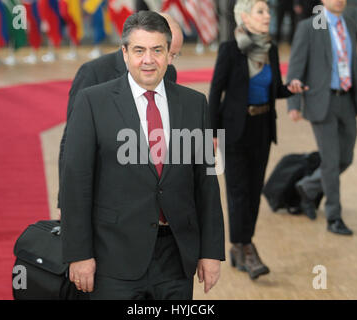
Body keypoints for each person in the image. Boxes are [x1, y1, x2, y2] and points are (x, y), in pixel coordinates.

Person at [61, 11, 225, 300]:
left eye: (157, 50)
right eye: (139, 50)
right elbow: (77, 181)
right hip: (114, 259)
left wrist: (211, 252)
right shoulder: (93, 102)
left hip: (176, 259)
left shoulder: (195, 104)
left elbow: (207, 184)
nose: (148, 59)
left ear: (168, 53)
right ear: (124, 53)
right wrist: (79, 254)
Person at [209, 0, 306, 280]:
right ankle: (246, 246)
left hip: (262, 128)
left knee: (253, 191)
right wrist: (211, 132)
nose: (268, 16)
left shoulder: (270, 49)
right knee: (238, 192)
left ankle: (240, 246)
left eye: (268, 11)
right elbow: (216, 92)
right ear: (245, 17)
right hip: (234, 129)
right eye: (261, 11)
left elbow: (273, 89)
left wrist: (291, 89)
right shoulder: (230, 50)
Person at [57, 12, 184, 211]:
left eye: (173, 54)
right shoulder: (94, 73)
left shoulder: (169, 72)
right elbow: (71, 143)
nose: (168, 62)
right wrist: (68, 203)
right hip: (107, 194)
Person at [287, 0, 357, 235]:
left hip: (347, 100)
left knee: (346, 158)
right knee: (331, 162)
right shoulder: (308, 28)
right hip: (321, 102)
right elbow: (295, 68)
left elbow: (351, 64)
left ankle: (306, 187)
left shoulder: (350, 25)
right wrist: (294, 103)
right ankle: (334, 217)